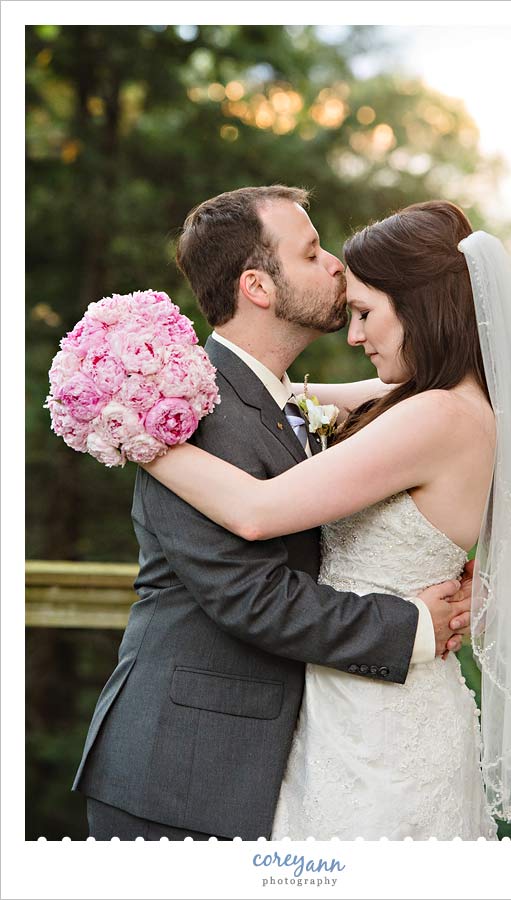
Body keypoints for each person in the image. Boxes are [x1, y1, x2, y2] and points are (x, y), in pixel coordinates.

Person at [141, 198, 511, 838]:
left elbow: (257, 512)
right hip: (350, 705)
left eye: (366, 314)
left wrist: (139, 435)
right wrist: (176, 379)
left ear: (420, 309)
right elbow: (286, 398)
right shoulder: (443, 401)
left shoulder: (435, 418)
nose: (356, 334)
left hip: (384, 724)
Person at [72, 186, 473, 841]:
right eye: (313, 253)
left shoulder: (285, 400)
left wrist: (457, 553)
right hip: (180, 772)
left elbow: (428, 414)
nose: (336, 266)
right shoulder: (181, 415)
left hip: (280, 765)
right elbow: (250, 595)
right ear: (258, 286)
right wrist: (411, 628)